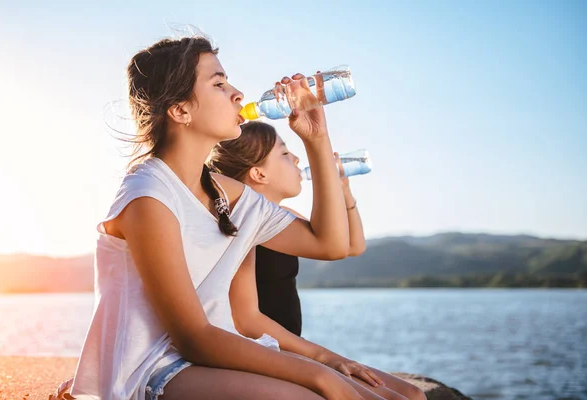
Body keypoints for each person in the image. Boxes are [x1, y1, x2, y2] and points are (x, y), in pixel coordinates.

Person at [63, 33, 416, 400]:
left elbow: (329, 243)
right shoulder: (149, 196)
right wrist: (320, 374)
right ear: (181, 110)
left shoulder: (223, 192)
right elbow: (193, 338)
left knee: (405, 396)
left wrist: (316, 139)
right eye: (218, 83)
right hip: (154, 370)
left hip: (216, 357)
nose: (237, 94)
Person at [208, 121, 426, 400]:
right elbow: (245, 319)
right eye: (285, 154)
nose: (297, 159)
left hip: (294, 348)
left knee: (413, 394)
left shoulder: (283, 218)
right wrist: (323, 357)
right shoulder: (241, 224)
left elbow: (351, 246)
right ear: (258, 173)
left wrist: (343, 191)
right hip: (268, 351)